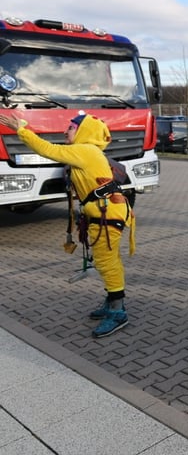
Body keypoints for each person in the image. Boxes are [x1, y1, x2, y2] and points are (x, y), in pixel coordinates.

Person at [0, 112, 136, 338]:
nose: (65, 131)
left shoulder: (85, 150)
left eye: (71, 128)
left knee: (106, 262)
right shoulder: (86, 151)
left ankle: (118, 311)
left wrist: (21, 129)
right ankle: (112, 300)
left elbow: (48, 150)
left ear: (83, 132)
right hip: (106, 211)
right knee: (108, 261)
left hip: (107, 213)